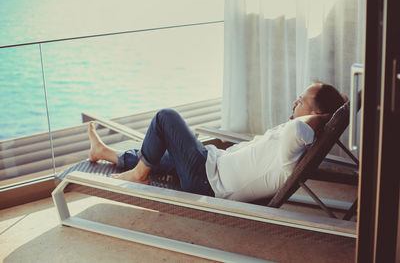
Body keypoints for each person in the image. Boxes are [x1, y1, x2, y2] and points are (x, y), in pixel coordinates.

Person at [88, 82, 346, 202]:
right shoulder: (294, 139)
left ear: (314, 114)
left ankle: (139, 175)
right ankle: (106, 153)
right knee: (163, 157)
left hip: (206, 182)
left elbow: (299, 127)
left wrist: (325, 117)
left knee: (165, 118)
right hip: (211, 164)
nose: (294, 102)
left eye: (301, 101)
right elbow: (299, 124)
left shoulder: (294, 142)